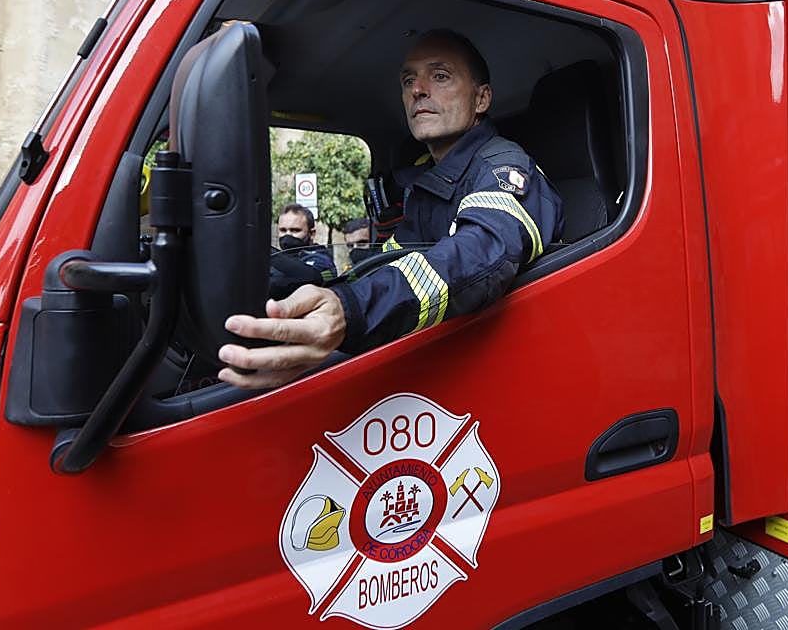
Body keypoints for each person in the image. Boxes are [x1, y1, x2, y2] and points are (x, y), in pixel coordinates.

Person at [219, 30, 564, 389]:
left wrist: (350, 310)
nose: (418, 89)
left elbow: (479, 254)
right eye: (408, 79)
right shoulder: (431, 183)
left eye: (440, 76)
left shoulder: (503, 168)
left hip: (499, 375)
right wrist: (314, 289)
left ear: (481, 98)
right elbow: (392, 260)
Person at [276, 203, 337, 281]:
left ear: (311, 234)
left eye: (295, 230)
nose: (288, 235)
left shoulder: (321, 261)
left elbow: (311, 277)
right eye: (283, 230)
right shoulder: (277, 257)